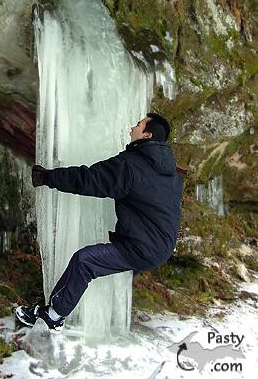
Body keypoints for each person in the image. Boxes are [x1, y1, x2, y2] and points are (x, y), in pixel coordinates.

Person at [15, 112, 184, 331]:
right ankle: (77, 308)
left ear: (147, 135)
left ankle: (53, 316)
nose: (131, 128)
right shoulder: (170, 172)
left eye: (138, 125)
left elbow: (90, 180)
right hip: (162, 247)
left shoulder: (130, 166)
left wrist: (48, 177)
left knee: (84, 261)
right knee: (96, 265)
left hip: (143, 248)